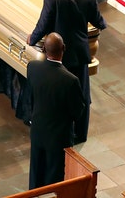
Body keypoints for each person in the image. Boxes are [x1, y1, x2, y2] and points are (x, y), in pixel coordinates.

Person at [27, 0, 107, 144]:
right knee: (82, 95)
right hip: (79, 53)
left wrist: (33, 37)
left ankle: (62, 132)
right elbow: (98, 21)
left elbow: (44, 23)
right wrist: (101, 24)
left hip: (58, 55)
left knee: (59, 93)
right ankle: (81, 134)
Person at [28, 32, 85, 189]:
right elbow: (77, 111)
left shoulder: (33, 68)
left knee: (36, 173)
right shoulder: (70, 80)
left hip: (38, 131)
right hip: (58, 137)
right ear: (64, 48)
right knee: (54, 180)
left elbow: (31, 96)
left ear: (44, 49)